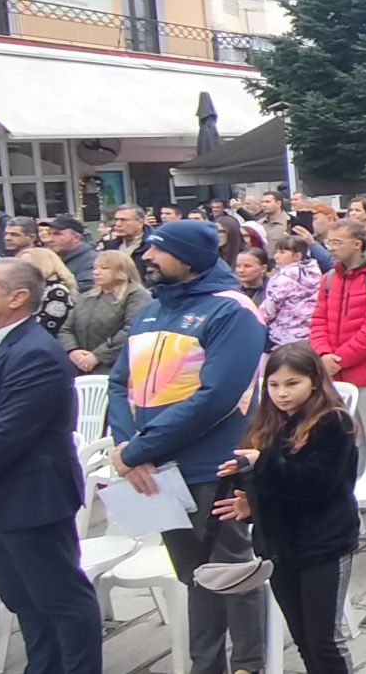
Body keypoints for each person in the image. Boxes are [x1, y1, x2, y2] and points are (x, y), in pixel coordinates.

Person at [105, 220, 271, 674]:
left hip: (210, 467)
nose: (147, 257)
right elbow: (120, 384)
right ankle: (206, 663)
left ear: (190, 257)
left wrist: (138, 451)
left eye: (158, 250)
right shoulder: (151, 311)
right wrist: (127, 447)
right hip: (156, 470)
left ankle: (249, 663)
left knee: (232, 570)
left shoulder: (232, 311)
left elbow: (216, 397)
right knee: (193, 574)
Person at [0, 260, 102, 674]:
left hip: (30, 500)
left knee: (61, 600)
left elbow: (9, 432)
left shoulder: (35, 353)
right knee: (24, 601)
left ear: (17, 298)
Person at [209, 342, 359, 674]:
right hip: (279, 546)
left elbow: (316, 485)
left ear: (314, 382)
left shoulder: (333, 423)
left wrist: (262, 463)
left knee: (324, 640)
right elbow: (272, 485)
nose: (282, 393)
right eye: (274, 385)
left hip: (324, 544)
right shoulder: (266, 426)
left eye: (292, 383)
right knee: (303, 638)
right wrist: (250, 503)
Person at [309, 219, 366, 392]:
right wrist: (323, 353)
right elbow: (318, 321)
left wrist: (340, 360)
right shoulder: (329, 278)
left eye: (337, 243)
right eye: (329, 242)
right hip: (332, 377)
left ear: (357, 244)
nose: (331, 248)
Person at [57, 248, 151, 375]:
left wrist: (98, 356)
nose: (96, 272)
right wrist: (72, 351)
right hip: (81, 369)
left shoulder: (136, 295)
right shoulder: (86, 297)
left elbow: (132, 329)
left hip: (118, 369)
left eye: (104, 268)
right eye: (95, 268)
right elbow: (66, 329)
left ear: (122, 270)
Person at [17, 247, 77, 337]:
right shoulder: (30, 289)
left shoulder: (57, 293)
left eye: (27, 265)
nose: (19, 270)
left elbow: (47, 328)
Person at [47, 215, 96, 291]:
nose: (50, 239)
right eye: (49, 234)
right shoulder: (52, 258)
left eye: (57, 234)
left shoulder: (92, 261)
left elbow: (86, 290)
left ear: (76, 238)